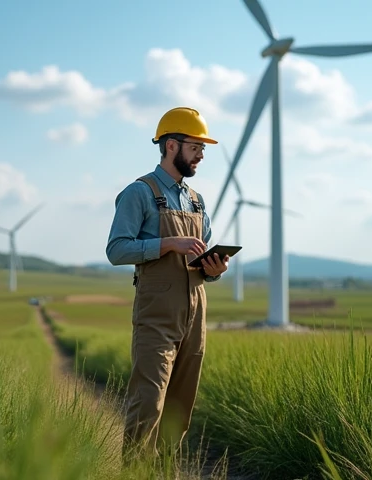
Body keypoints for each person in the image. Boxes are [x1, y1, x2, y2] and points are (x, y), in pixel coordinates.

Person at [105, 106, 230, 464]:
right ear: (171, 145)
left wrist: (214, 268)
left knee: (179, 408)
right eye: (196, 146)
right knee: (149, 400)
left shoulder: (196, 200)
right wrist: (167, 244)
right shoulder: (139, 193)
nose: (202, 154)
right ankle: (135, 472)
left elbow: (202, 255)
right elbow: (116, 250)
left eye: (204, 148)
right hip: (156, 315)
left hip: (195, 315)